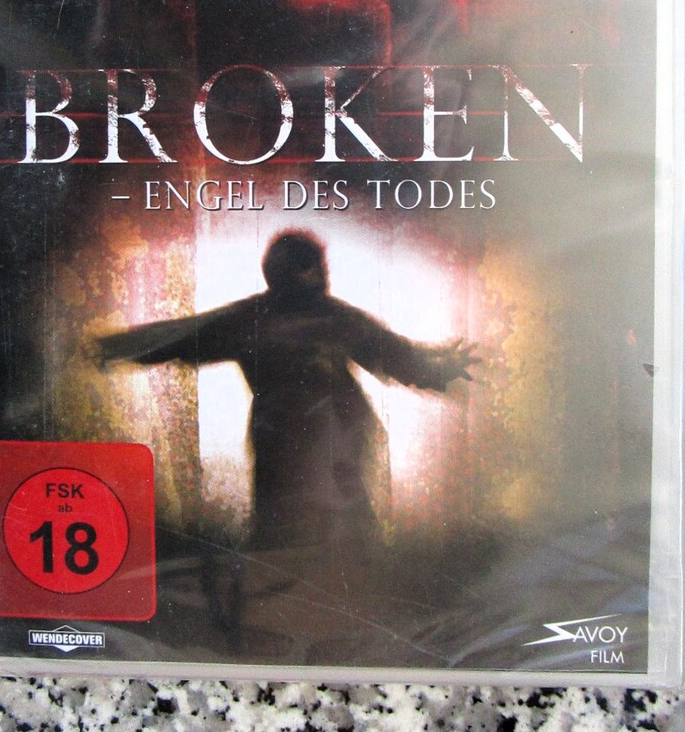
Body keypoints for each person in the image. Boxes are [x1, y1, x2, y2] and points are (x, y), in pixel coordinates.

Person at [99, 233, 476, 549]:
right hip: (293, 437)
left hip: (326, 436)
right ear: (289, 272)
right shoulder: (265, 319)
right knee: (301, 528)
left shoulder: (309, 318)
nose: (320, 274)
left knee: (327, 527)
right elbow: (184, 335)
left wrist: (438, 369)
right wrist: (120, 348)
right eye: (312, 266)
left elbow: (395, 355)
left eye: (319, 266)